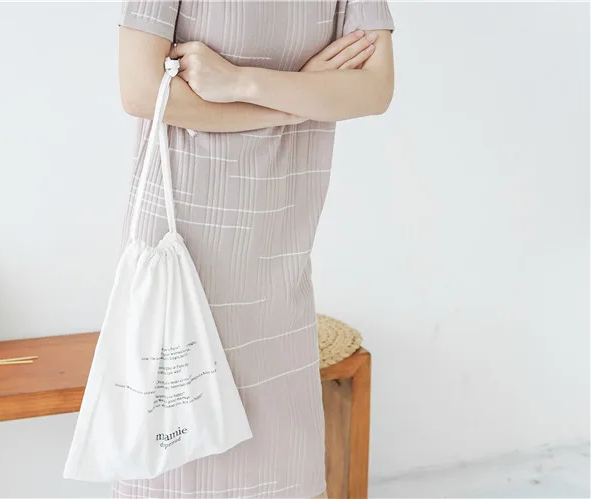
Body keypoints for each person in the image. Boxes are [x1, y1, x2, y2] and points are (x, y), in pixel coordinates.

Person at [115, 1, 394, 497]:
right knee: (174, 455)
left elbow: (374, 88)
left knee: (279, 462)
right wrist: (297, 99)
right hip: (184, 242)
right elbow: (141, 91)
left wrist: (242, 82)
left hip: (279, 251)